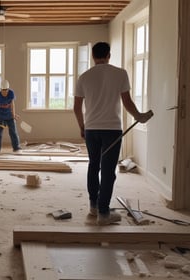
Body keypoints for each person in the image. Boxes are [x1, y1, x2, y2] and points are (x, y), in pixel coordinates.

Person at [73, 42, 153, 226]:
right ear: (109, 55)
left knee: (94, 166)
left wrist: (82, 126)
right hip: (112, 130)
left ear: (93, 56)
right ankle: (103, 213)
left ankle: (94, 206)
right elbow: (127, 102)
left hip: (92, 129)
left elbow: (77, 107)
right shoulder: (120, 73)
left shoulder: (84, 77)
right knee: (108, 171)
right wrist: (139, 116)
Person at [0, 79, 22, 154]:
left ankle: (16, 148)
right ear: (0, 89)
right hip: (0, 116)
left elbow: (12, 105)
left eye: (6, 90)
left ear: (8, 89)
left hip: (9, 116)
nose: (5, 92)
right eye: (3, 90)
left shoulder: (11, 93)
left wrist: (14, 115)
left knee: (13, 132)